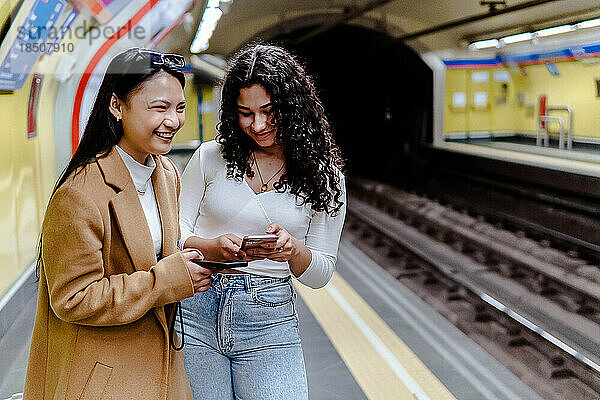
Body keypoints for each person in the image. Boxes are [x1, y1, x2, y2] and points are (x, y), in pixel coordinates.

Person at [23, 48, 213, 400]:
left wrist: (208, 251)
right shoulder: (79, 193)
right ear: (116, 106)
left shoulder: (165, 173)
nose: (173, 120)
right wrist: (164, 281)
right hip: (105, 376)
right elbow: (72, 298)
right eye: (160, 107)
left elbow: (158, 251)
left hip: (163, 371)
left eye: (180, 107)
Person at [178, 43, 347, 399]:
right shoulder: (211, 157)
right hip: (195, 308)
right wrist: (211, 246)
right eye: (245, 113)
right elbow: (173, 231)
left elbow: (321, 273)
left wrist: (293, 250)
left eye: (270, 111)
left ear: (293, 107)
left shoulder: (324, 176)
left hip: (268, 321)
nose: (257, 125)